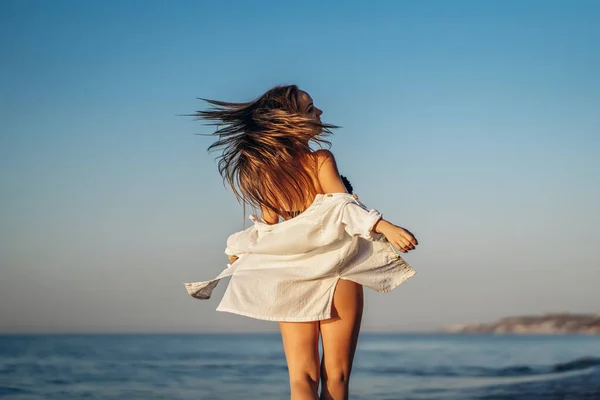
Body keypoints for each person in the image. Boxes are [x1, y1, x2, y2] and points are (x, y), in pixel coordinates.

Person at [185, 85, 418, 400]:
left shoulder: (266, 173)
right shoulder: (320, 159)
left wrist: (240, 252)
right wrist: (384, 225)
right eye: (310, 109)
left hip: (289, 273)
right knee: (336, 374)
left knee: (301, 377)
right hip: (338, 267)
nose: (319, 112)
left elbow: (268, 226)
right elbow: (341, 205)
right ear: (289, 121)